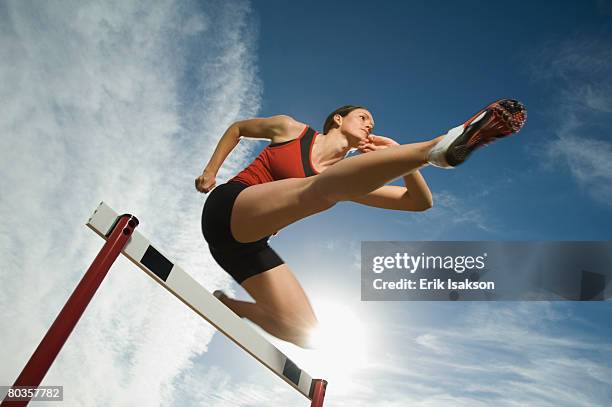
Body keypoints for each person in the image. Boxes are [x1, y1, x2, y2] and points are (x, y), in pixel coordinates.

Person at [196, 100, 526, 348]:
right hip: (228, 208)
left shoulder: (347, 181)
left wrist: (400, 155)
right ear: (338, 119)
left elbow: (419, 203)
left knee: (306, 333)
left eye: (372, 122)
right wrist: (211, 171)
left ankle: (228, 303)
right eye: (363, 117)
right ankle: (436, 147)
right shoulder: (290, 130)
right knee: (323, 189)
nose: (369, 125)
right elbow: (238, 128)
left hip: (245, 248)